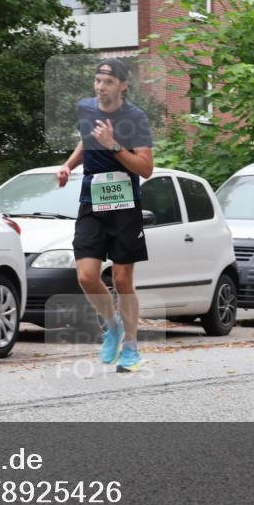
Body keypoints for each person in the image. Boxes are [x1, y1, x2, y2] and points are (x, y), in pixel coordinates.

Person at [56, 58, 154, 372]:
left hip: (125, 205)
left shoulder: (135, 118)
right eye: (98, 80)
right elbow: (87, 140)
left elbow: (146, 168)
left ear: (123, 86)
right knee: (86, 276)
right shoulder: (86, 109)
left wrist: (114, 146)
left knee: (123, 280)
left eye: (108, 82)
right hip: (92, 201)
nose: (101, 87)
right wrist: (68, 165)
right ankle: (112, 325)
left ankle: (131, 348)